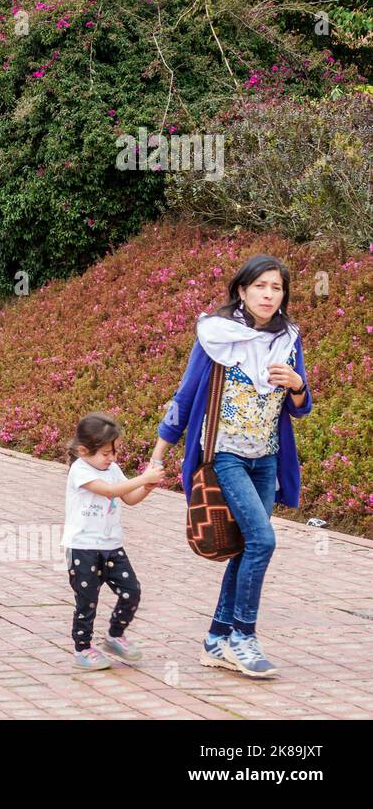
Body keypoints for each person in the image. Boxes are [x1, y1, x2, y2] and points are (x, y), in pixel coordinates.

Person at [151, 254, 312, 679]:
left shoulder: (288, 339)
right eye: (260, 286)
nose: (268, 294)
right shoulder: (216, 335)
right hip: (225, 455)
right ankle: (244, 637)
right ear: (241, 290)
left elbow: (300, 407)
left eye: (276, 287)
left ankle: (217, 639)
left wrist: (297, 386)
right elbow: (184, 398)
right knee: (262, 540)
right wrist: (157, 458)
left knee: (246, 547)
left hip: (267, 457)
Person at [62, 412, 164, 671]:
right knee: (87, 601)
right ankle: (82, 649)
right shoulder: (79, 470)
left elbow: (127, 498)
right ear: (84, 450)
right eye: (106, 453)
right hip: (83, 548)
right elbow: (108, 491)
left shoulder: (113, 469)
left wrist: (146, 488)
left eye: (115, 452)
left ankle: (115, 634)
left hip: (111, 546)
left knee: (132, 591)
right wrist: (143, 477)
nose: (112, 458)